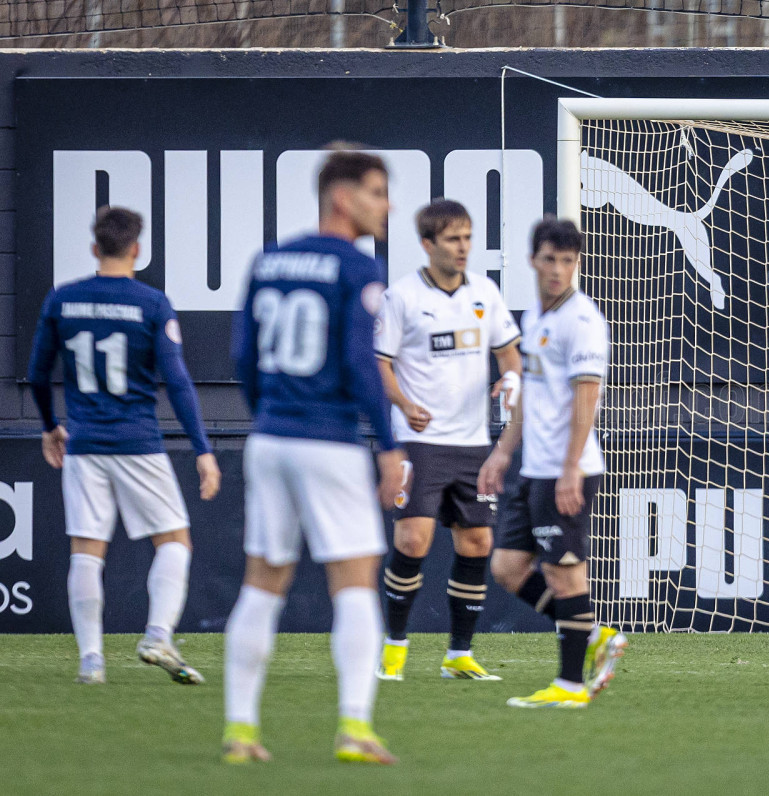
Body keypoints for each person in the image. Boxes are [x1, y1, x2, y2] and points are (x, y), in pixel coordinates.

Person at [223, 147, 410, 765]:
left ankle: (240, 732)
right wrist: (388, 446)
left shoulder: (270, 259)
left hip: (270, 438)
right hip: (328, 441)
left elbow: (243, 356)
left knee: (262, 582)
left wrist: (270, 414)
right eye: (377, 192)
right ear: (342, 197)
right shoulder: (356, 266)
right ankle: (354, 728)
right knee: (355, 582)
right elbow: (360, 363)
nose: (387, 206)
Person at [28, 206, 221, 686]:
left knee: (86, 550)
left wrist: (50, 426)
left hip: (85, 443)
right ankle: (157, 635)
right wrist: (202, 449)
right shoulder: (151, 303)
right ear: (136, 249)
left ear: (95, 248)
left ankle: (91, 661)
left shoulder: (62, 300)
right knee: (174, 541)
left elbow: (37, 373)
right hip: (138, 442)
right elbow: (177, 382)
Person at [478, 217, 628, 709]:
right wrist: (504, 450)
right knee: (507, 568)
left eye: (568, 261)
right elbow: (530, 393)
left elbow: (587, 400)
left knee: (566, 575)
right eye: (550, 259)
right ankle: (593, 635)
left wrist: (569, 469)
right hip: (534, 469)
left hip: (568, 470)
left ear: (576, 264)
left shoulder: (581, 321)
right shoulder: (535, 318)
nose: (559, 269)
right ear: (533, 261)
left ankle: (569, 686)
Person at [373, 199, 522, 683]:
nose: (463, 247)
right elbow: (380, 362)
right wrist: (402, 403)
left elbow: (510, 354)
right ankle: (394, 649)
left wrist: (511, 380)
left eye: (467, 237)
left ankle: (459, 654)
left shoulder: (484, 292)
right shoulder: (402, 296)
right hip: (419, 440)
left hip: (472, 442)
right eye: (453, 239)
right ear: (427, 243)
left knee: (477, 542)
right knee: (413, 539)